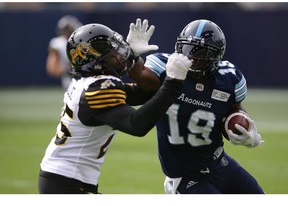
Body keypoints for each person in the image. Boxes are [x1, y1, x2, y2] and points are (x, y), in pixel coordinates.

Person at [38, 20, 192, 194]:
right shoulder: (97, 89)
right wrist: (172, 83)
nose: (120, 55)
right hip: (66, 181)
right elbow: (137, 125)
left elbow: (143, 93)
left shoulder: (88, 82)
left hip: (65, 178)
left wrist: (135, 61)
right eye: (113, 53)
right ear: (92, 59)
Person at [126, 19, 265, 194]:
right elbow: (141, 76)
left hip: (219, 163)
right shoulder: (167, 67)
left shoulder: (229, 78)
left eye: (199, 52)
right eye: (186, 48)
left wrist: (247, 131)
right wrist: (132, 56)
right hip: (184, 175)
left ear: (215, 56)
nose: (190, 57)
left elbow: (233, 112)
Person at [46, 15, 82, 90]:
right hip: (69, 79)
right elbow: (52, 69)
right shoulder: (57, 43)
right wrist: (64, 70)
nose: (67, 32)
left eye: (69, 30)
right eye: (65, 30)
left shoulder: (82, 41)